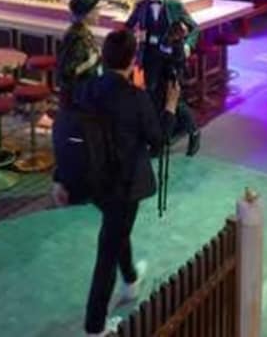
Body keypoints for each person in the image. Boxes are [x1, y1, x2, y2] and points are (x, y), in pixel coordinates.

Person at [54, 29, 180, 337]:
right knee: (108, 250)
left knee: (116, 229)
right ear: (133, 60)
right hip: (124, 184)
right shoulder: (136, 98)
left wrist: (61, 177)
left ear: (104, 58)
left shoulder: (87, 89)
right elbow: (158, 140)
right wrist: (170, 106)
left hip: (93, 180)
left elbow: (67, 129)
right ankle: (95, 326)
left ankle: (131, 280)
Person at [125, 0, 201, 156]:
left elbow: (194, 28)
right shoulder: (141, 6)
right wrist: (135, 37)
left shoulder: (174, 5)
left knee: (175, 99)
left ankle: (194, 131)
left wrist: (188, 46)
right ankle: (159, 142)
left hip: (171, 59)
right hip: (150, 58)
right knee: (152, 98)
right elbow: (127, 27)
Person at [57, 0, 104, 108]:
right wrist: (92, 61)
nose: (99, 13)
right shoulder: (77, 37)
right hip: (78, 99)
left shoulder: (83, 32)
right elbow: (69, 72)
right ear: (87, 14)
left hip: (85, 93)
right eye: (96, 10)